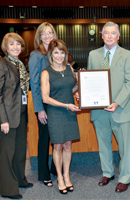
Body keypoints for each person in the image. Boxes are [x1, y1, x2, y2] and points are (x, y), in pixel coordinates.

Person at [87, 21, 130, 192]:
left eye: (113, 33)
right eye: (106, 33)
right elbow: (90, 80)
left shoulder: (128, 55)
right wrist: (83, 93)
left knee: (124, 147)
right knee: (104, 145)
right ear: (101, 35)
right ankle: (107, 173)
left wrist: (117, 102)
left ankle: (124, 177)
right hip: (99, 111)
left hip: (120, 109)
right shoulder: (93, 54)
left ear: (118, 36)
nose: (109, 36)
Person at [0, 32, 32, 199]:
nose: (16, 47)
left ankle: (20, 179)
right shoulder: (1, 65)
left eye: (18, 44)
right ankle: (8, 189)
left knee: (20, 150)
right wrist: (3, 120)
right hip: (8, 116)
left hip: (21, 113)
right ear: (5, 48)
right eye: (11, 45)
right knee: (8, 153)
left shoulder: (20, 64)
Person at [41, 39, 80, 194]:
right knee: (57, 146)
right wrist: (65, 105)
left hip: (69, 111)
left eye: (62, 52)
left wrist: (80, 85)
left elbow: (72, 88)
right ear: (51, 53)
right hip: (56, 112)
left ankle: (66, 175)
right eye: (56, 52)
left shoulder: (69, 69)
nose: (59, 55)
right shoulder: (46, 72)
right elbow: (46, 98)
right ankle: (59, 177)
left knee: (68, 145)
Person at [28, 22, 57, 187]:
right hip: (43, 105)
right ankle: (43, 173)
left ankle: (54, 168)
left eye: (50, 32)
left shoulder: (56, 53)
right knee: (44, 139)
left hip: (55, 103)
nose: (47, 36)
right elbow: (35, 84)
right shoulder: (36, 56)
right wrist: (39, 110)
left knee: (56, 138)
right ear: (39, 36)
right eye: (44, 33)